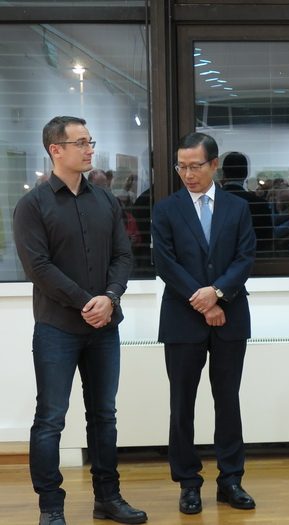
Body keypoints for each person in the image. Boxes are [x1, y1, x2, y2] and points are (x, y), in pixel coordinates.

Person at [12, 116, 147, 525]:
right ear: (56, 149)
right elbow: (38, 267)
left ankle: (108, 498)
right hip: (57, 328)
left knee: (104, 416)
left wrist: (110, 297)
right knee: (50, 419)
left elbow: (123, 255)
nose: (90, 150)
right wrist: (88, 302)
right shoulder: (32, 205)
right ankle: (51, 508)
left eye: (91, 142)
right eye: (82, 143)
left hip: (105, 328)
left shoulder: (105, 200)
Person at [151, 132, 257, 516]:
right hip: (183, 318)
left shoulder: (237, 207)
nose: (188, 174)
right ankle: (188, 483)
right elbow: (165, 263)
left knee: (228, 401)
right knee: (182, 404)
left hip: (230, 316)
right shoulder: (166, 209)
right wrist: (202, 299)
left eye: (195, 166)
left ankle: (231, 480)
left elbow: (245, 257)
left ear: (214, 165)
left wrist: (218, 293)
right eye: (181, 167)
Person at [221, 151, 274, 258]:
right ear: (246, 174)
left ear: (224, 173)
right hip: (255, 264)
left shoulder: (210, 202)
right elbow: (266, 242)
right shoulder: (259, 204)